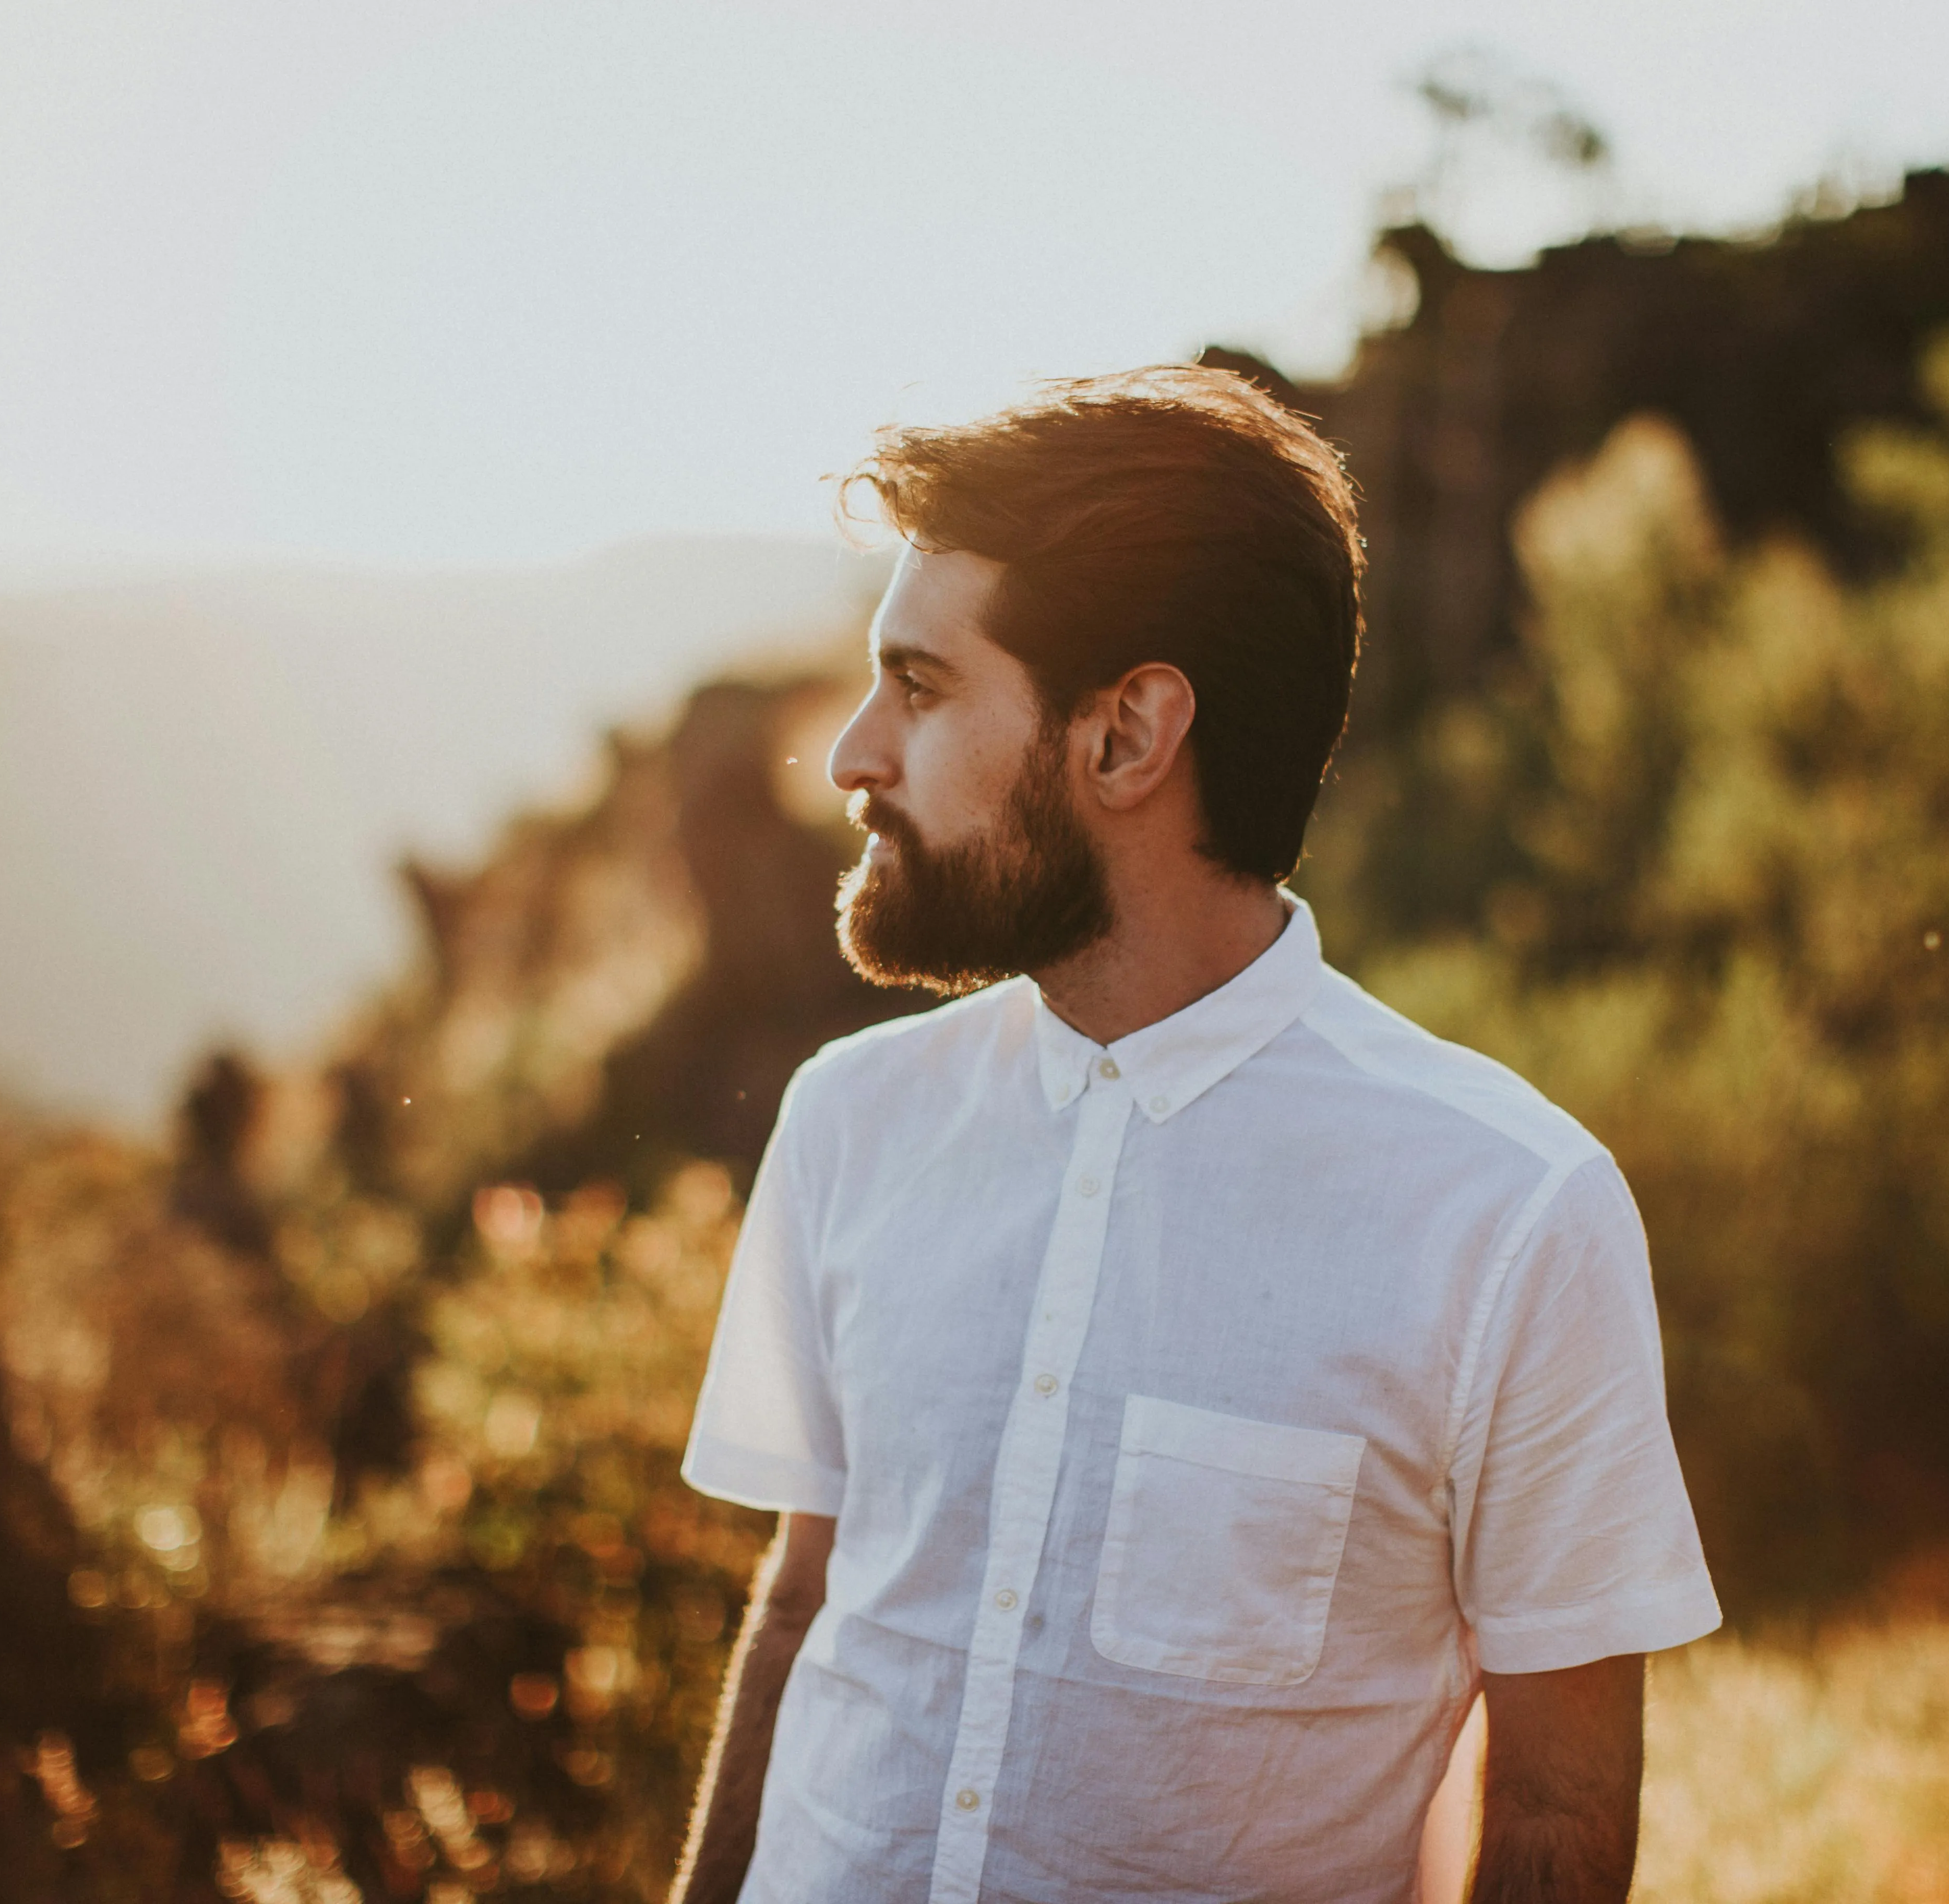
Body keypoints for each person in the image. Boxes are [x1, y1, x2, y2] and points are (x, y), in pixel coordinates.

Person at [670, 366, 1719, 1904]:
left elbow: (1561, 1794)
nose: (851, 755)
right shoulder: (850, 1122)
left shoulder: (1510, 1211)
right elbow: (802, 1610)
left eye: (924, 685)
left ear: (1127, 738)